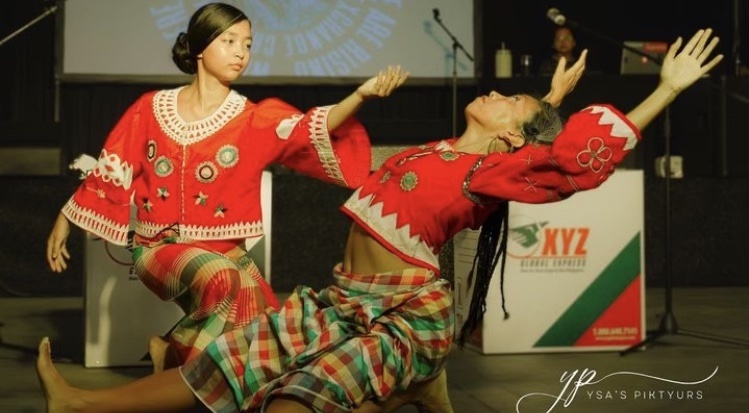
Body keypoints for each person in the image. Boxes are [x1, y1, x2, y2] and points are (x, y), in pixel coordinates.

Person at [36, 28, 722, 413]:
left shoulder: (490, 170)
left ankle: (418, 377)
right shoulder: (447, 149)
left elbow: (569, 160)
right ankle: (79, 405)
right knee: (229, 357)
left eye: (504, 98)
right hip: (345, 298)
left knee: (291, 401)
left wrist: (663, 88)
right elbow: (532, 136)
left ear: (513, 138)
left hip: (403, 316)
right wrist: (542, 98)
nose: (488, 90)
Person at [45, 2, 408, 371]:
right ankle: (172, 357)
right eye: (230, 40)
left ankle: (174, 359)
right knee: (224, 280)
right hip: (160, 248)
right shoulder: (150, 108)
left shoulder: (253, 118)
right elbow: (114, 163)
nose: (241, 52)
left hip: (226, 253)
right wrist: (66, 217)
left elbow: (308, 127)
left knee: (271, 334)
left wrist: (360, 96)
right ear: (201, 48)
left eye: (248, 44)